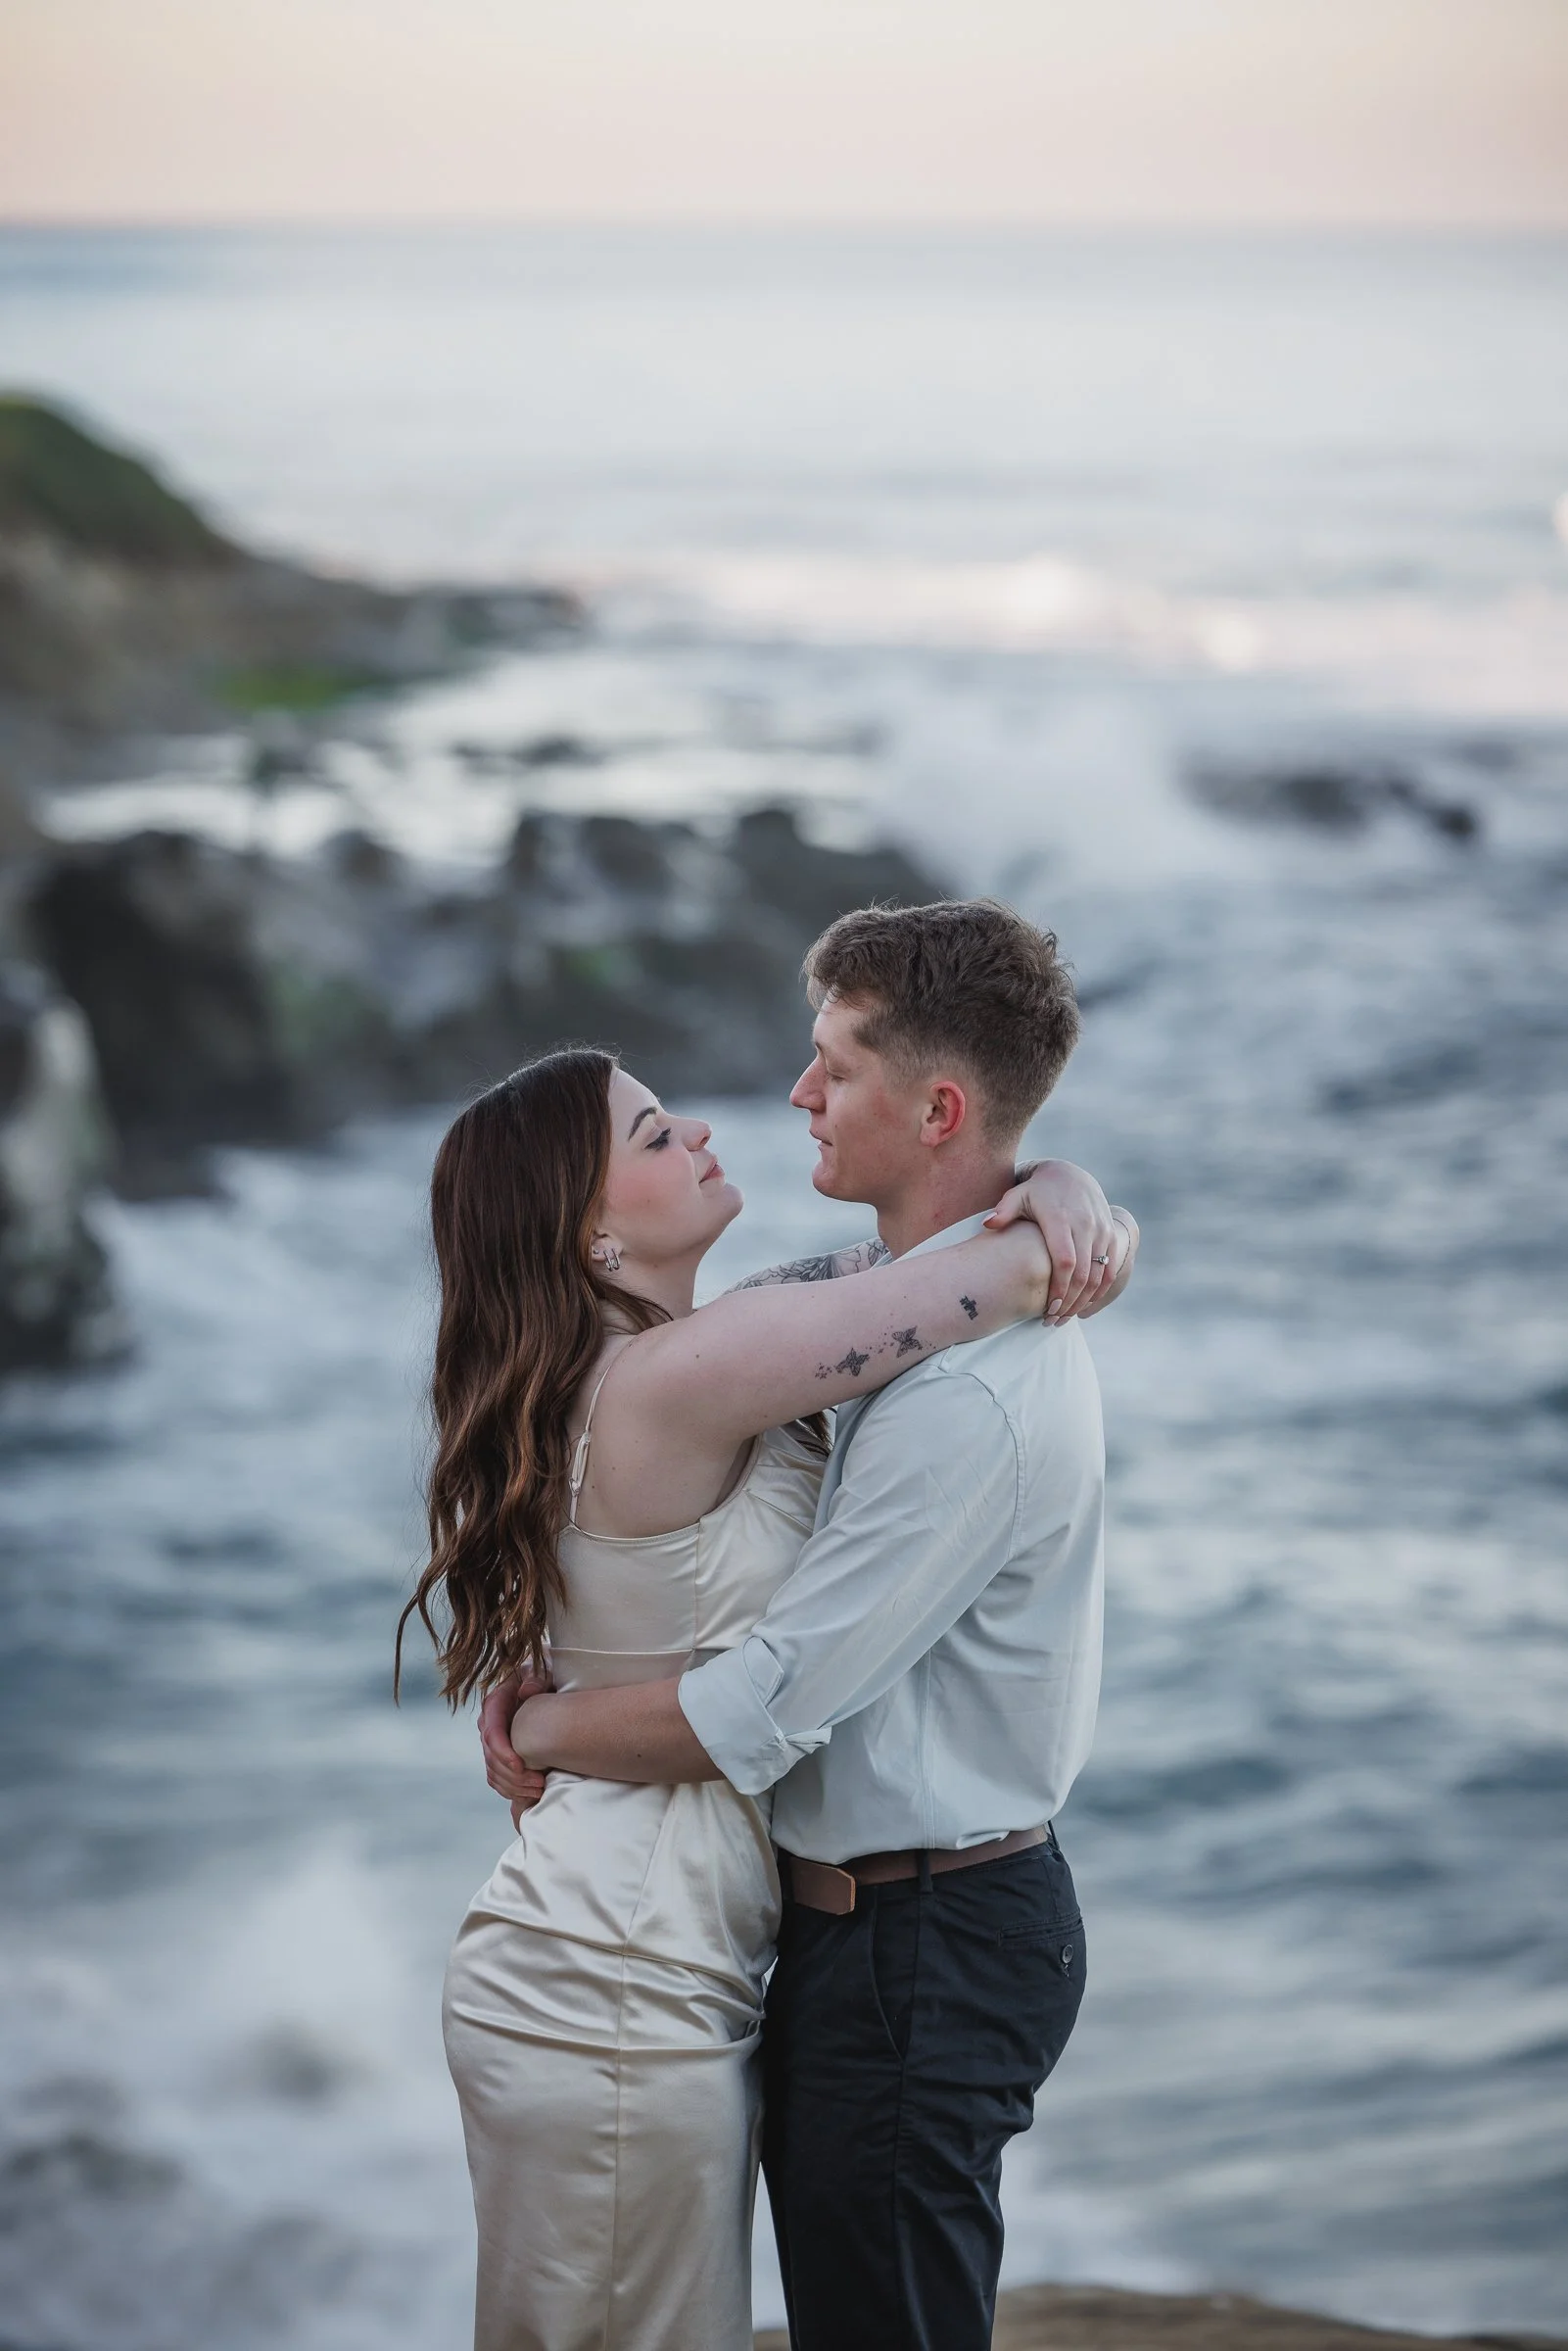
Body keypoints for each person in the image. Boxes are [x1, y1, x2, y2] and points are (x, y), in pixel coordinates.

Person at [483, 898, 1137, 2351]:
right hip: (842, 1933)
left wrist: (541, 1722)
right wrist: (1062, 1198)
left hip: (925, 1936)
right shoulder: (870, 1320)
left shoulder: (962, 1393)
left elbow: (759, 1707)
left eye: (834, 1067)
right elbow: (821, 1310)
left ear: (938, 1107)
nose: (792, 1098)